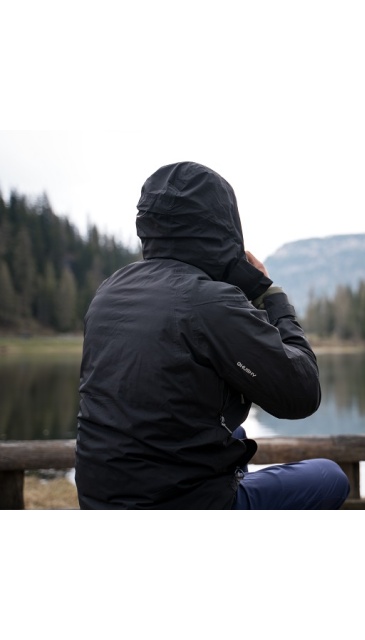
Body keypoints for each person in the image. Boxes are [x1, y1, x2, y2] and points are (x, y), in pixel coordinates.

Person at [75, 161, 350, 509]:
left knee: (235, 433)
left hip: (100, 500)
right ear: (224, 225)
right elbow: (302, 394)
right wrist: (271, 296)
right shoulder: (209, 301)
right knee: (330, 477)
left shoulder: (110, 289)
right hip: (178, 504)